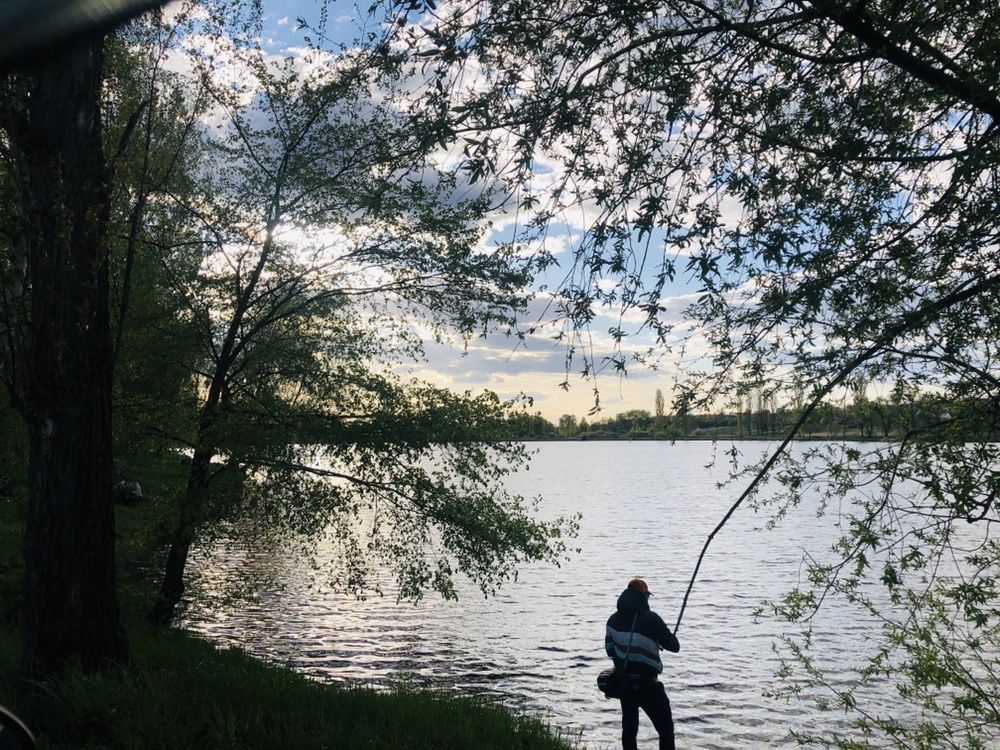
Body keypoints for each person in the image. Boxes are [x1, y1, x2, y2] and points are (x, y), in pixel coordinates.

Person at [605, 578, 681, 750]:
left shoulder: (612, 620)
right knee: (666, 730)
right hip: (648, 685)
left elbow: (610, 649)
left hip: (624, 685)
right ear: (643, 596)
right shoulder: (652, 619)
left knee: (629, 731)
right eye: (647, 595)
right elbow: (674, 646)